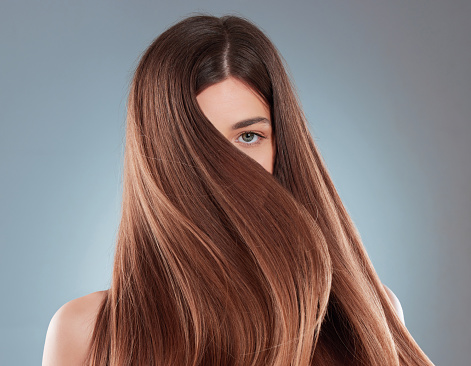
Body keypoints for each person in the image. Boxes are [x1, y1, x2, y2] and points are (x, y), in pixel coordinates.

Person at [42, 14, 433, 365]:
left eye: (249, 136)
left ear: (283, 146)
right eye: (199, 144)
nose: (227, 171)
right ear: (156, 155)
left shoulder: (367, 314)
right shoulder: (85, 332)